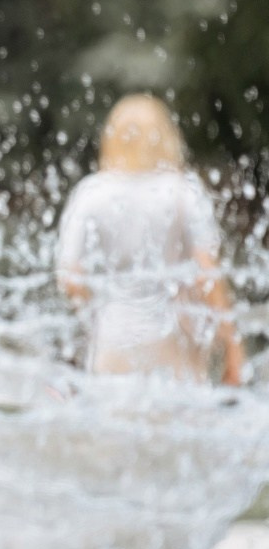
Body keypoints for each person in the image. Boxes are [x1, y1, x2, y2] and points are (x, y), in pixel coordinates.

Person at [56, 94, 242, 386]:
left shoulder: (91, 193)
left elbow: (70, 276)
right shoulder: (183, 191)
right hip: (174, 333)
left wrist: (94, 313)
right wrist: (233, 346)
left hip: (112, 335)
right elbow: (207, 273)